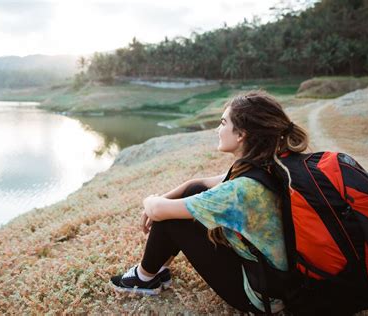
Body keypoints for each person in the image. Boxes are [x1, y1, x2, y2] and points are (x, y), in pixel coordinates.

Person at [110, 90, 309, 313]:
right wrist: (166, 197)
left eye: (223, 123)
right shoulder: (270, 164)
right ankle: (154, 272)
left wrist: (151, 200)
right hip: (278, 278)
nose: (218, 129)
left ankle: (143, 277)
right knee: (191, 193)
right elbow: (201, 182)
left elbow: (157, 211)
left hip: (263, 296)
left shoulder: (242, 190)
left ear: (241, 134)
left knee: (172, 219)